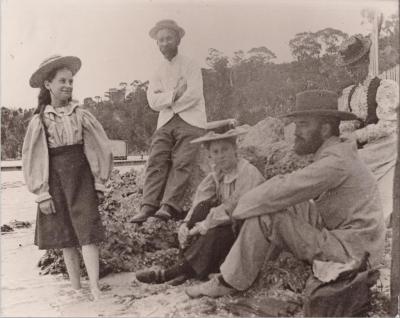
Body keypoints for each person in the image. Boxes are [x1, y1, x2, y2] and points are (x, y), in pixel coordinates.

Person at [185, 90, 386, 298]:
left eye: (303, 125)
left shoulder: (336, 162)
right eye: (296, 124)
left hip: (353, 252)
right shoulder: (337, 152)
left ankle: (227, 282)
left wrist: (230, 211)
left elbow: (285, 188)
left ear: (325, 129)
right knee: (282, 203)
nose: (296, 131)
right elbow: (288, 192)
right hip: (351, 241)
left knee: (268, 213)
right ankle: (247, 269)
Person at [22, 55, 113, 300]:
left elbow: (98, 147)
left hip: (81, 177)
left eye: (71, 81)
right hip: (55, 180)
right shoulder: (40, 119)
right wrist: (42, 193)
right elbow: (35, 157)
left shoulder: (81, 114)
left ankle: (94, 287)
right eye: (62, 81)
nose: (68, 85)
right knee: (65, 237)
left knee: (88, 232)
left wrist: (99, 181)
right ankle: (76, 289)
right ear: (48, 84)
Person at [135, 121, 265, 285]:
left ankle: (171, 273)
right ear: (210, 155)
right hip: (227, 224)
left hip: (247, 231)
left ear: (235, 149)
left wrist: (204, 225)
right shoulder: (218, 174)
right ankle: (186, 268)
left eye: (225, 149)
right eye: (215, 152)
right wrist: (186, 224)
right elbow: (200, 200)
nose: (221, 155)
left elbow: (234, 208)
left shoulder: (247, 172)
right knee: (203, 209)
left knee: (215, 231)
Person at [131, 19, 207, 223]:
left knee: (182, 161)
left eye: (168, 39)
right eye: (160, 40)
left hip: (191, 120)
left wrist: (167, 99)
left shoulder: (190, 64)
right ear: (156, 43)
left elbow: (194, 94)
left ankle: (168, 205)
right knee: (156, 159)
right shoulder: (157, 70)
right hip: (166, 122)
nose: (164, 43)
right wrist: (174, 94)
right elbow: (152, 101)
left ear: (178, 40)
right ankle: (148, 205)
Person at [337, 34, 399, 224]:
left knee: (356, 165)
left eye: (354, 67)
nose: (351, 72)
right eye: (348, 68)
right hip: (363, 146)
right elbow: (347, 125)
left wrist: (356, 136)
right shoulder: (350, 93)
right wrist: (344, 136)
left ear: (366, 62)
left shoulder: (384, 87)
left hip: (384, 145)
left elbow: (387, 124)